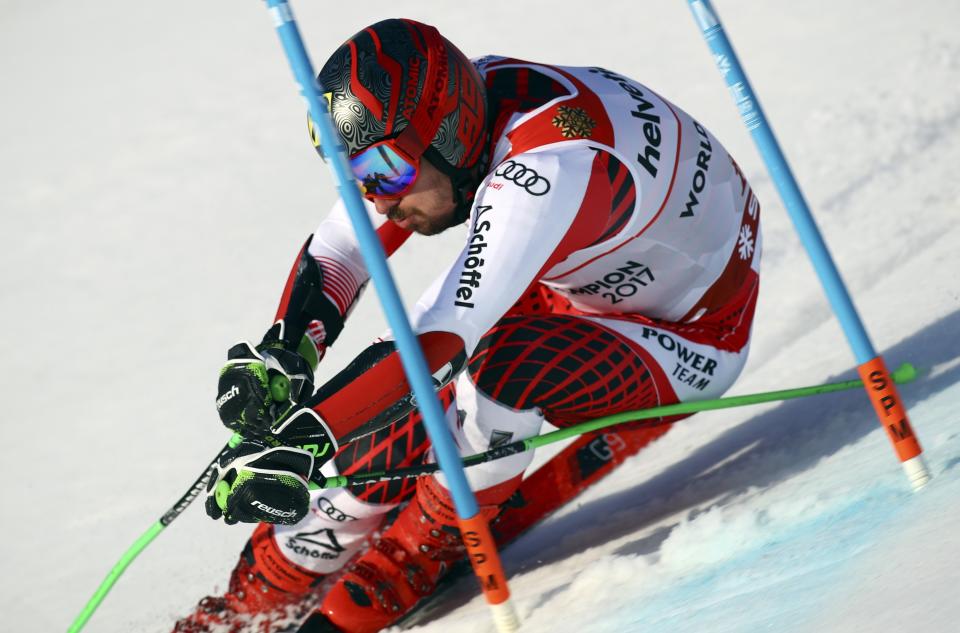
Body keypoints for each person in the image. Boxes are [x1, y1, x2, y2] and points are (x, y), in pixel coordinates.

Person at [173, 17, 761, 633]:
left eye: (383, 171)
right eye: (354, 172)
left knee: (495, 370)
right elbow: (346, 244)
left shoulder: (548, 169)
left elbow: (437, 338)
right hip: (581, 285)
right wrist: (285, 354)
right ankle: (258, 596)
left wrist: (306, 439)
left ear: (448, 138)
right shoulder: (467, 106)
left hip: (690, 340)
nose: (375, 196)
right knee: (397, 404)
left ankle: (422, 548)